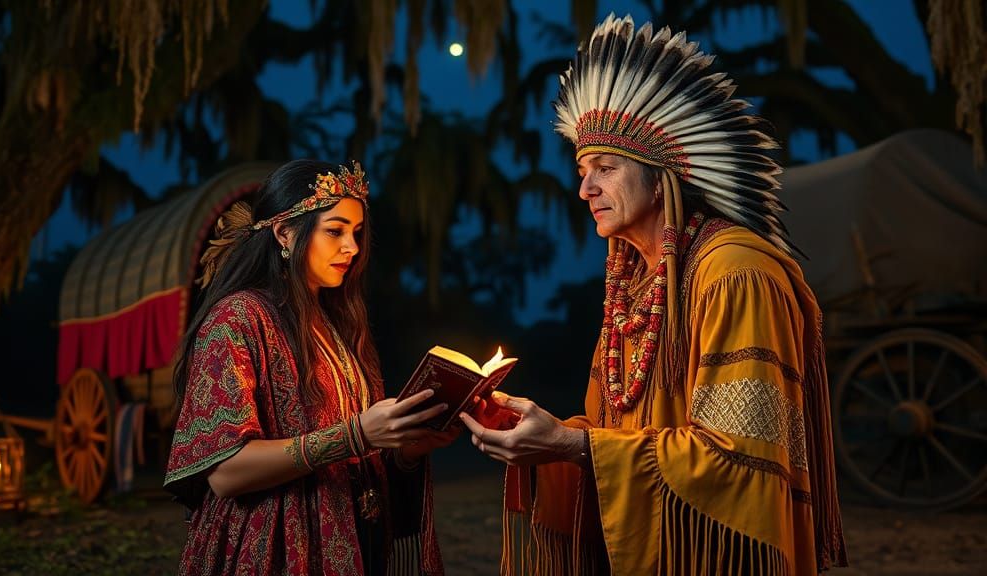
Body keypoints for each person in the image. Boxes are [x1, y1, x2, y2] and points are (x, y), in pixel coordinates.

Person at [460, 15, 848, 575]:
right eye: (582, 168)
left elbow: (738, 460)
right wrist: (544, 436)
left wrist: (574, 449)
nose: (585, 188)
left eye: (606, 168)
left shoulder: (734, 272)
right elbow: (612, 434)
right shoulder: (633, 282)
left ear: (663, 175)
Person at [164, 159, 456, 575]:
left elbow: (360, 452)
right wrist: (355, 434)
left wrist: (409, 445)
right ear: (285, 233)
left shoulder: (336, 325)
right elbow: (225, 472)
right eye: (335, 231)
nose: (352, 247)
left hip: (357, 538)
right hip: (274, 548)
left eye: (356, 233)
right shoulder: (235, 320)